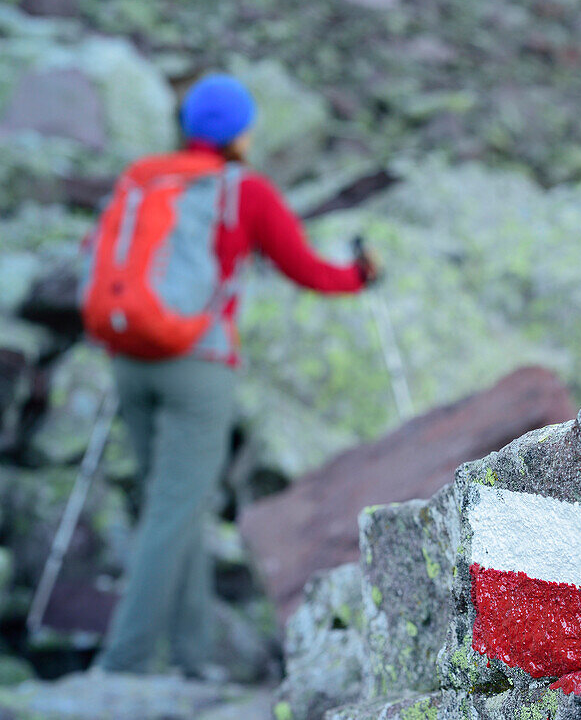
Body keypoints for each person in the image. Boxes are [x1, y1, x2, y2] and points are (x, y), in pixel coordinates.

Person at [86, 74, 376, 676]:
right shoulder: (245, 192)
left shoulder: (146, 179)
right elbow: (305, 270)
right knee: (175, 509)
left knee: (172, 508)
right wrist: (357, 277)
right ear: (241, 132)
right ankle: (123, 663)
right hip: (198, 367)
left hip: (129, 359)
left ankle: (194, 656)